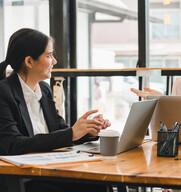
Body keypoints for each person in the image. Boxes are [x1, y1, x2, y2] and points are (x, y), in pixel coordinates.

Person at [0, 28, 111, 192]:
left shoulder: (44, 89)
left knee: (99, 185)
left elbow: (59, 131)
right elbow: (14, 145)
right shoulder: (3, 93)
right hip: (21, 179)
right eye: (48, 55)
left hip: (48, 171)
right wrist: (72, 133)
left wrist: (87, 131)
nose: (55, 61)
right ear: (29, 62)